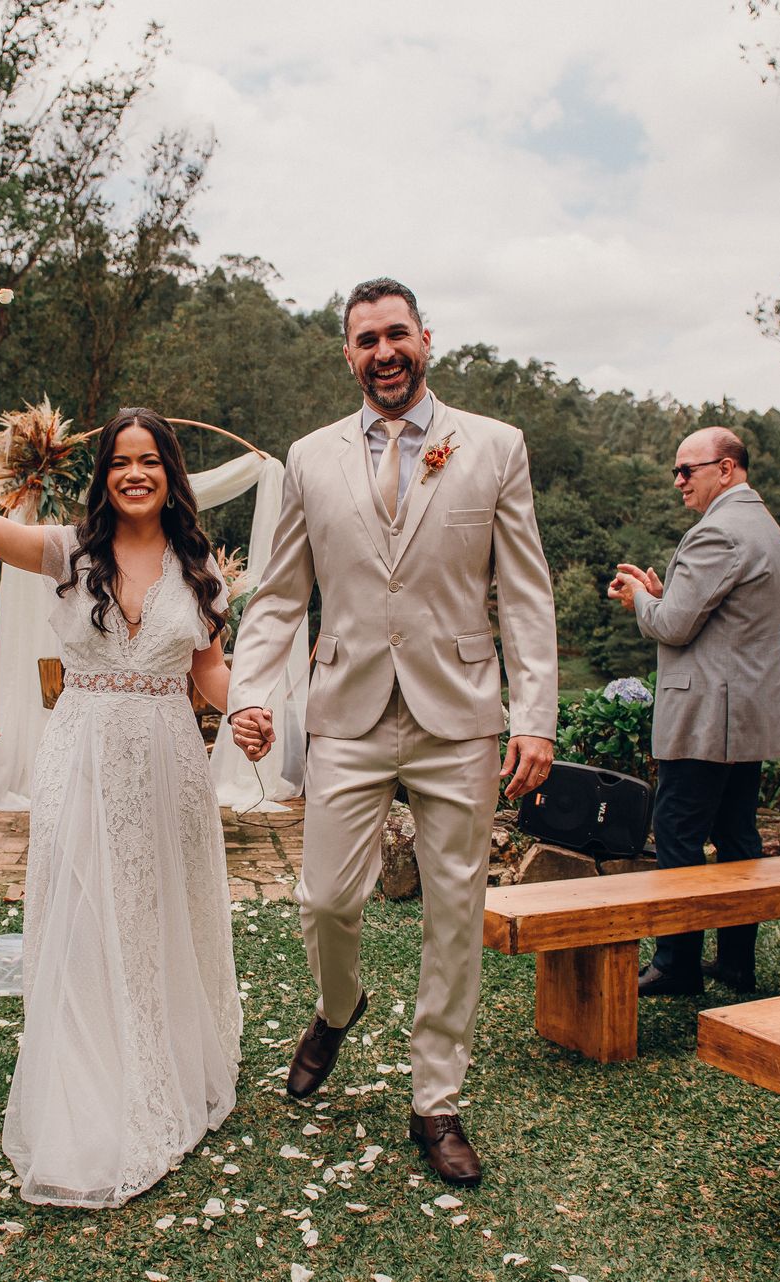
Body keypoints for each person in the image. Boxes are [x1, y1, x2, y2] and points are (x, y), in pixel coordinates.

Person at [229, 277, 559, 1190]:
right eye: (366, 338)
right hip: (348, 708)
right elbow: (281, 593)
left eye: (397, 334)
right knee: (326, 898)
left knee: (454, 908)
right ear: (347, 353)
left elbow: (525, 593)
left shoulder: (494, 445)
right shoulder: (309, 457)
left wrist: (534, 715)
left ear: (425, 339)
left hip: (461, 711)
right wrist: (253, 690)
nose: (384, 352)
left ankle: (436, 1099)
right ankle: (339, 1006)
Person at [0, 371, 244, 1207]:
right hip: (85, 752)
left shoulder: (199, 564)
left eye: (150, 461)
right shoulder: (68, 551)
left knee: (160, 909)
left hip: (170, 757)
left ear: (171, 473)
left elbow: (208, 671)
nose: (135, 474)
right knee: (85, 907)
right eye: (119, 462)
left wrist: (248, 711)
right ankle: (88, 1092)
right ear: (102, 476)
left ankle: (166, 1066)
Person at [609, 426, 780, 998]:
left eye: (690, 469)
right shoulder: (764, 526)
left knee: (679, 833)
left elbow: (673, 626)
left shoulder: (716, 532)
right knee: (738, 836)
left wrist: (640, 598)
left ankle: (676, 963)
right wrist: (664, 596)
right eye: (676, 470)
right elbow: (715, 618)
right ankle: (737, 963)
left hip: (708, 713)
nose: (679, 480)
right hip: (746, 709)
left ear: (728, 469)